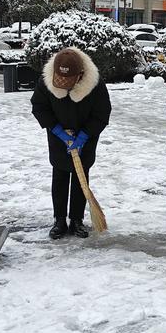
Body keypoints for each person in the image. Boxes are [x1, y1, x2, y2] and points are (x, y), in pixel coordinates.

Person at [31, 47, 111, 239]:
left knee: (80, 176)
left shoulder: (95, 84)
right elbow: (39, 107)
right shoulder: (46, 81)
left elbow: (102, 113)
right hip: (59, 135)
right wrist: (58, 131)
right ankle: (59, 219)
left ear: (80, 75)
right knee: (59, 175)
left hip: (86, 136)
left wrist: (83, 136)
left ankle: (76, 220)